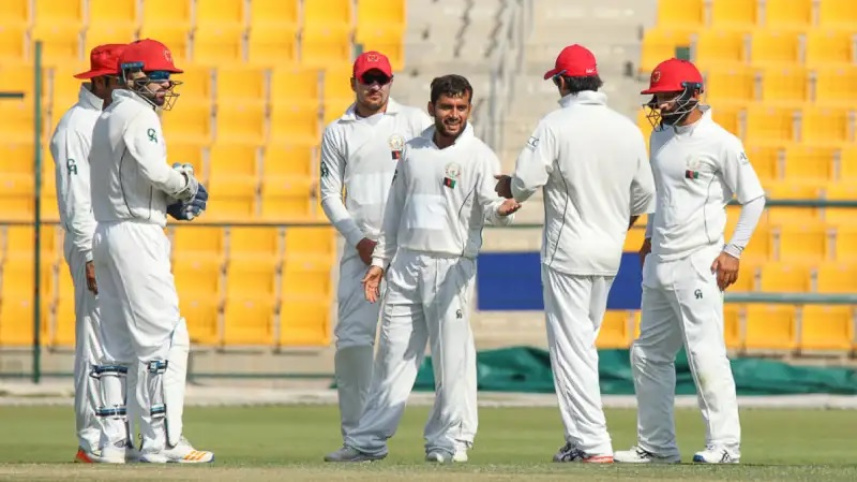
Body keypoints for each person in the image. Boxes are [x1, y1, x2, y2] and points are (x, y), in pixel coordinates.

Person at [325, 74, 521, 463]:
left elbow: (488, 205)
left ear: (470, 109)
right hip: (406, 265)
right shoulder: (412, 150)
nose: (453, 115)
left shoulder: (479, 154)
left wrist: (502, 212)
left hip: (451, 265)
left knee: (452, 357)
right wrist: (380, 262)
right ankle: (367, 441)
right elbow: (394, 212)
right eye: (446, 107)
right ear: (431, 108)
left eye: (461, 108)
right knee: (393, 355)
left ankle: (450, 441)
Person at [494, 44, 656, 464]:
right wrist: (616, 226)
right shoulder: (627, 129)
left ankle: (592, 443)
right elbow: (644, 196)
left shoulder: (555, 124)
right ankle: (580, 438)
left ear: (562, 82)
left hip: (567, 252)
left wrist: (507, 185)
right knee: (583, 343)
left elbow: (525, 183)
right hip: (608, 253)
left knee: (572, 349)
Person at [613, 58, 766, 465]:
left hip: (699, 261)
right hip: (660, 260)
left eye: (667, 96)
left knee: (705, 353)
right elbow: (662, 195)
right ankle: (657, 446)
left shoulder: (722, 142)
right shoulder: (658, 138)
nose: (660, 105)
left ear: (694, 93)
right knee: (648, 354)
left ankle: (725, 446)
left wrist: (733, 250)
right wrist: (647, 236)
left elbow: (754, 199)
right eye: (657, 97)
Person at [88, 38, 212, 464]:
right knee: (168, 337)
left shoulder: (105, 115)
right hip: (138, 234)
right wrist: (186, 185)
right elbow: (155, 171)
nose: (164, 86)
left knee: (117, 343)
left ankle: (113, 443)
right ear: (133, 75)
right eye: (159, 77)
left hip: (106, 232)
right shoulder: (140, 115)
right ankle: (165, 441)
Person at [319, 50, 437, 444]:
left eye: (381, 79)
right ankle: (357, 436)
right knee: (352, 339)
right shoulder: (339, 130)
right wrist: (360, 240)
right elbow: (330, 195)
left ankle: (445, 436)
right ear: (353, 82)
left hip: (409, 247)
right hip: (362, 248)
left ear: (390, 82)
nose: (374, 86)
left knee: (410, 342)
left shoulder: (415, 121)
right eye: (367, 79)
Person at [49, 43, 129, 464]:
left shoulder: (112, 119)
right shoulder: (75, 126)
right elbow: (73, 198)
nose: (127, 85)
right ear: (99, 80)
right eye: (119, 78)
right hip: (92, 243)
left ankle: (118, 432)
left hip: (118, 241)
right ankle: (93, 440)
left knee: (121, 340)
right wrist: (88, 252)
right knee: (96, 339)